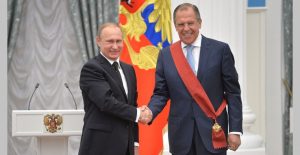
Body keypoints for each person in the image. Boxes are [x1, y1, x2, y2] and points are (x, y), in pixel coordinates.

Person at [141, 3, 243, 155]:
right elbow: (161, 93)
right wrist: (150, 111)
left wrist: (235, 130)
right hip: (180, 135)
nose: (186, 28)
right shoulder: (166, 55)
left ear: (199, 23)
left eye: (190, 23)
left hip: (213, 132)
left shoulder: (220, 50)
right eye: (181, 24)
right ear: (175, 26)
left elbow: (233, 92)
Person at [78, 23, 150, 155]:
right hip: (100, 146)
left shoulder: (129, 69)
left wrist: (135, 142)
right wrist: (139, 114)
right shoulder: (91, 68)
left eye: (118, 41)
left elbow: (132, 104)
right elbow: (106, 102)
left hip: (126, 147)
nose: (115, 46)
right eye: (110, 41)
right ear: (98, 41)